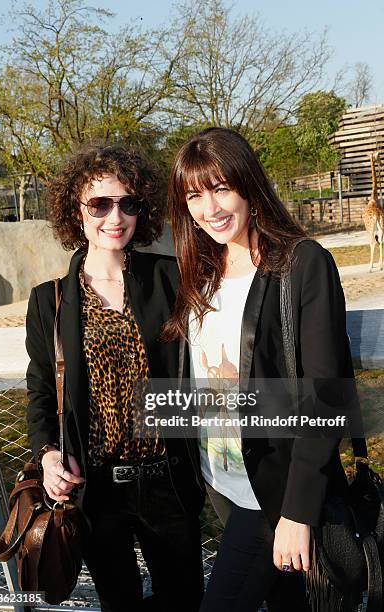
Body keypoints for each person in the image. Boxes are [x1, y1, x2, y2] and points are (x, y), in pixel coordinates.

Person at [164, 127, 356, 611]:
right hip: (223, 486)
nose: (211, 209)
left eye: (222, 188)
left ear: (249, 183)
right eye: (195, 196)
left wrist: (297, 512)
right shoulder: (199, 271)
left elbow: (326, 394)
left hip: (274, 495)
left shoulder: (301, 264)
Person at [25, 143, 205, 612]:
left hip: (168, 477)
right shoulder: (51, 300)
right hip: (96, 485)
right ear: (75, 210)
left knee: (183, 600)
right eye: (100, 204)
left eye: (127, 203)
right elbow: (42, 389)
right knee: (119, 602)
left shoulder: (171, 278)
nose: (115, 216)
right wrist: (47, 454)